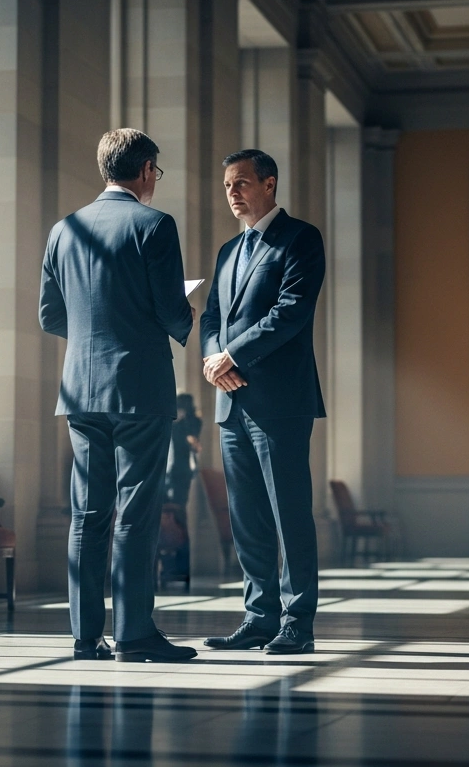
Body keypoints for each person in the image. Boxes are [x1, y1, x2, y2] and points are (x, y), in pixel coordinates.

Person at [39, 128, 198, 663]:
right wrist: (189, 313)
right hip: (139, 387)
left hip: (79, 390)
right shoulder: (154, 225)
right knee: (136, 510)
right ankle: (133, 634)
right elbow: (171, 312)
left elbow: (50, 314)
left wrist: (95, 332)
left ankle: (85, 637)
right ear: (148, 170)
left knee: (88, 514)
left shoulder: (64, 229)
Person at [198, 149, 326, 655]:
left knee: (289, 513)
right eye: (227, 184)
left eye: (242, 183)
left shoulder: (301, 238)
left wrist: (230, 356)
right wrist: (214, 358)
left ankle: (298, 623)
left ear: (269, 184)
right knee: (246, 516)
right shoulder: (228, 251)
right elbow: (210, 317)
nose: (232, 192)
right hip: (232, 402)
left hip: (281, 401)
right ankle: (257, 617)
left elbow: (290, 311)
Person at [160, 393, 202, 580]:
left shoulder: (190, 423)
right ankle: (168, 566)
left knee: (178, 518)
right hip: (167, 475)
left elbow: (194, 442)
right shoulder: (169, 422)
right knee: (168, 519)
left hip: (178, 476)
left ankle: (180, 567)